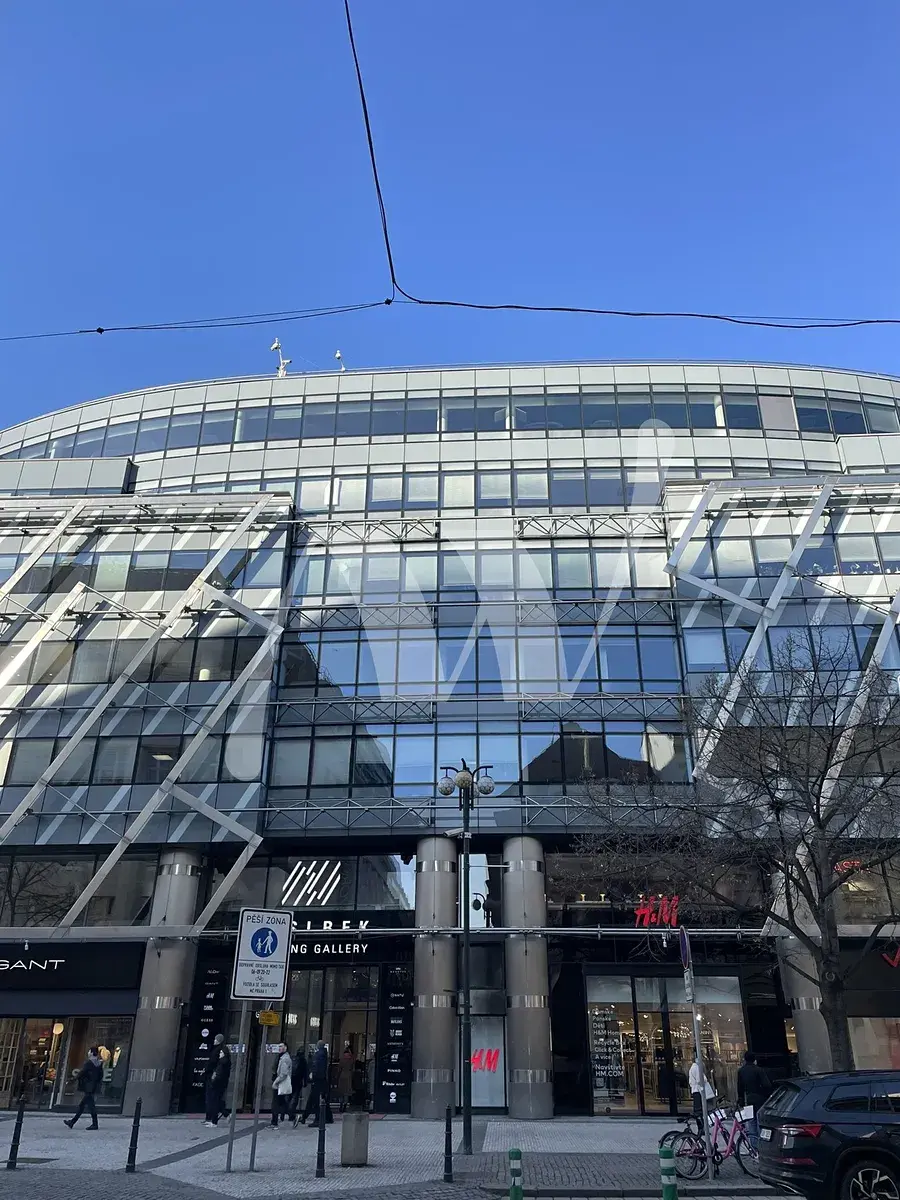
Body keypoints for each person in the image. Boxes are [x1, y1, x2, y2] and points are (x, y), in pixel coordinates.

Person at [736, 1050, 772, 1148]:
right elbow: (767, 1085)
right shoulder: (759, 1070)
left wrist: (741, 1099)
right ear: (754, 1059)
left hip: (748, 1099)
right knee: (760, 1121)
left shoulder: (741, 1071)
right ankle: (762, 1145)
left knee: (751, 1122)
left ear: (745, 1059)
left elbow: (740, 1087)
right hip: (760, 1099)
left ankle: (754, 1146)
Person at [64, 1046, 103, 1129]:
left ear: (91, 1053)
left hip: (88, 1088)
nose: (88, 1053)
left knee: (90, 1106)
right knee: (82, 1106)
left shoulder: (89, 1063)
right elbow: (101, 1076)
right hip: (94, 1087)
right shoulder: (99, 1064)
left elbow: (81, 1073)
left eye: (89, 1051)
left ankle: (94, 1124)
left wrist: (72, 1080)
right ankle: (72, 1122)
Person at [203, 1034, 231, 1127]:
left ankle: (214, 1120)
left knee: (214, 1098)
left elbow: (220, 1064)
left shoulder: (221, 1050)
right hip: (216, 1077)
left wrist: (213, 1074)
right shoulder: (219, 1049)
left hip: (217, 1078)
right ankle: (223, 1114)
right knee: (214, 1098)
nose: (214, 1041)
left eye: (216, 1039)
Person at [302, 1040, 330, 1127]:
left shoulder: (319, 1055)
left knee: (316, 1100)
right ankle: (328, 1118)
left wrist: (313, 1075)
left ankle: (317, 1119)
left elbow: (317, 1067)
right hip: (322, 1080)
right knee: (320, 1100)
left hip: (318, 1080)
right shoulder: (324, 1054)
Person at [270, 1043, 293, 1127]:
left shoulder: (285, 1058)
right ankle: (293, 1116)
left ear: (285, 1048)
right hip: (279, 1082)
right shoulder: (280, 1057)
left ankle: (274, 1122)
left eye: (281, 1046)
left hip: (280, 1082)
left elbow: (283, 1073)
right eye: (278, 1046)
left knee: (275, 1103)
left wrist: (276, 1082)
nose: (279, 1048)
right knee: (282, 1102)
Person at [688, 1053, 715, 1119]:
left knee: (698, 1109)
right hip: (698, 1090)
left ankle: (700, 1122)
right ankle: (701, 1123)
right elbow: (699, 1080)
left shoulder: (693, 1067)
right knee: (699, 1110)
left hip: (695, 1090)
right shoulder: (696, 1068)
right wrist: (705, 1079)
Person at [289, 1045, 309, 1125]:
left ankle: (288, 1112)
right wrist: (305, 1082)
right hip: (298, 1081)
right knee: (295, 1097)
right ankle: (291, 1112)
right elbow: (305, 1072)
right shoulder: (303, 1061)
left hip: (291, 1080)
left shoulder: (293, 1059)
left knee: (290, 1097)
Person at [336, 1042, 354, 1113]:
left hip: (342, 1076)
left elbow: (339, 1069)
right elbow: (352, 1068)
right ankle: (345, 1105)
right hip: (348, 1076)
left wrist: (337, 1076)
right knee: (346, 1092)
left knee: (341, 1092)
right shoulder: (350, 1060)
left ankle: (341, 1105)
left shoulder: (342, 1059)